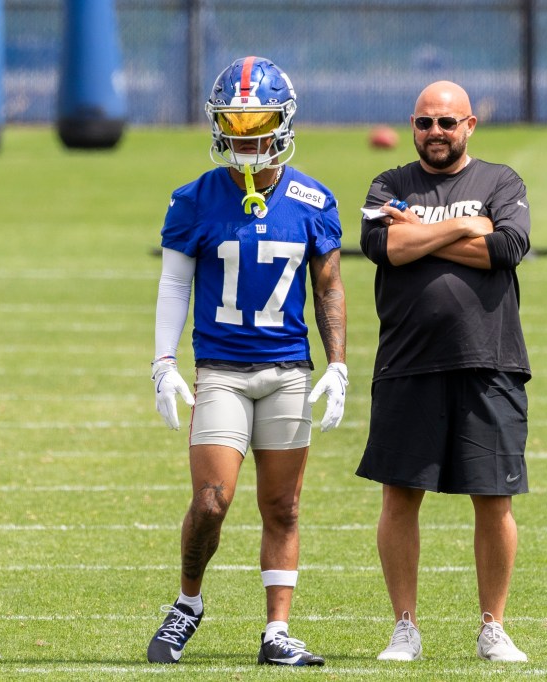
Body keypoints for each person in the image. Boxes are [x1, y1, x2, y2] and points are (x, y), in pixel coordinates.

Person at [146, 56, 347, 667]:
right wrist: (163, 360)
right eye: (234, 122)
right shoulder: (194, 199)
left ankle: (277, 632)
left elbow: (329, 287)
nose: (244, 136)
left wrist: (338, 364)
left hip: (287, 368)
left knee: (283, 507)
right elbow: (174, 285)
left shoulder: (314, 198)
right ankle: (187, 604)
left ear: (283, 121)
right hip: (223, 371)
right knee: (212, 498)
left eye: (257, 122)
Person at [356, 80, 532, 663]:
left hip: (491, 362)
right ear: (412, 124)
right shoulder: (389, 183)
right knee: (400, 497)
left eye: (448, 123)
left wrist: (418, 234)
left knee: (494, 499)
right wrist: (464, 227)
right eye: (426, 123)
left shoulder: (501, 181)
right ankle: (404, 626)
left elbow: (506, 249)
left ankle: (493, 628)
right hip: (407, 363)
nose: (436, 133)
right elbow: (381, 245)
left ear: (470, 126)